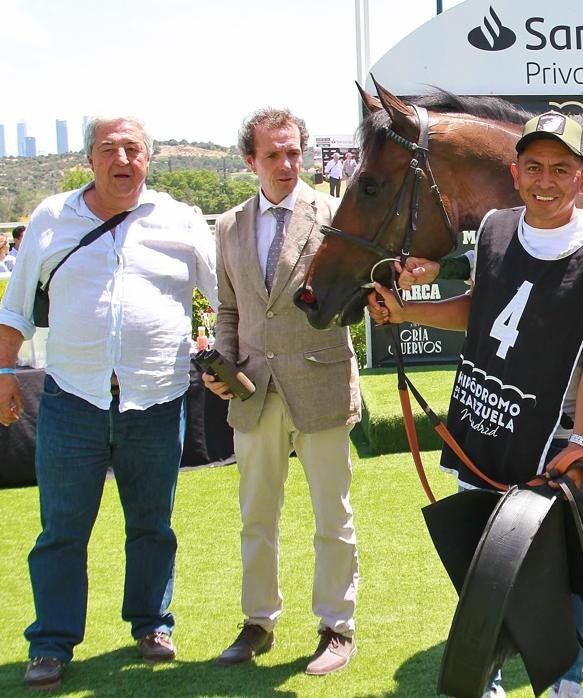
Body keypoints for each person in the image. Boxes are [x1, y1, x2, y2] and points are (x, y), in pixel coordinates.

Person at [369, 111, 583, 698]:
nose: (546, 180)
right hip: (483, 426)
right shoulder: (494, 227)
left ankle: (567, 685)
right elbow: (477, 309)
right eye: (534, 167)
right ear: (514, 173)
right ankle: (488, 680)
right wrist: (407, 311)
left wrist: (581, 441)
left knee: (560, 572)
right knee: (482, 572)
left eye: (561, 169)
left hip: (552, 440)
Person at [0, 116, 217, 691]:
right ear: (89, 159)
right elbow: (16, 303)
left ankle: (152, 625)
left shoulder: (181, 219)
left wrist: (232, 349)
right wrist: (2, 371)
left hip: (157, 398)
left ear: (149, 159)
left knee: (152, 526)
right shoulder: (51, 216)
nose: (122, 159)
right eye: (109, 148)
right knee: (61, 531)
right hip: (72, 399)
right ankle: (51, 643)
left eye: (133, 149)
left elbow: (228, 296)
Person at [205, 108, 362, 676]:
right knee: (256, 517)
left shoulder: (336, 215)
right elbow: (229, 309)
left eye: (293, 151)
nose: (286, 163)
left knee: (332, 517)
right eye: (272, 154)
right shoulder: (228, 226)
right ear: (251, 161)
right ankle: (258, 622)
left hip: (321, 385)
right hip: (252, 392)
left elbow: (356, 296)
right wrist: (222, 365)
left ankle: (337, 626)